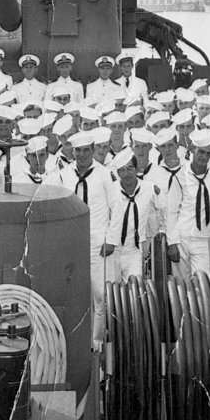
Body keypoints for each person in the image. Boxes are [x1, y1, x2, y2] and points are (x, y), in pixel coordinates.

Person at [58, 131, 117, 346]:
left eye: (86, 150)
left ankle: (97, 345)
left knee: (101, 296)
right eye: (77, 151)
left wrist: (110, 239)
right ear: (72, 152)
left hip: (98, 244)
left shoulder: (105, 175)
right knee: (74, 296)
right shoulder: (64, 175)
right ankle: (75, 345)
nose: (81, 155)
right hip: (72, 244)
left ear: (93, 150)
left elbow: (117, 207)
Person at [166, 129, 210, 277]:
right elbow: (171, 211)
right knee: (181, 283)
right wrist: (172, 242)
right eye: (201, 152)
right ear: (193, 149)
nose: (204, 157)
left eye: (208, 153)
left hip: (204, 238)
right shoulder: (180, 174)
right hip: (182, 237)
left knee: (203, 281)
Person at [110, 148, 156, 282]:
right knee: (112, 290)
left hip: (134, 250)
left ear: (136, 169)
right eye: (122, 170)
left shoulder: (149, 188)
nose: (126, 173)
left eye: (130, 168)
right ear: (118, 173)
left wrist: (150, 240)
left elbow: (161, 213)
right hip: (113, 250)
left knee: (136, 287)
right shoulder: (110, 190)